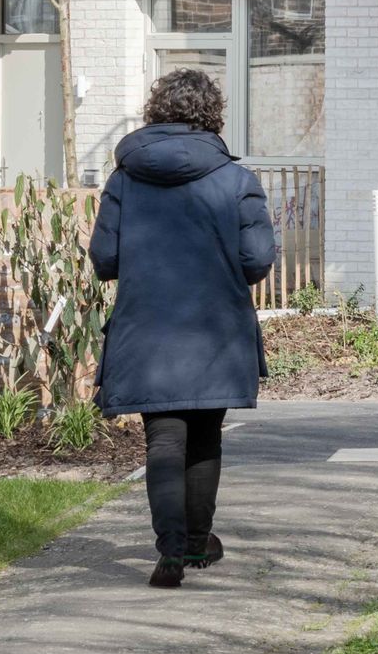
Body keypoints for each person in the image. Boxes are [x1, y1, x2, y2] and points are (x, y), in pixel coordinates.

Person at [89, 67, 275, 587]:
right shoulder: (237, 180)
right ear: (211, 113)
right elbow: (257, 259)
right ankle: (197, 543)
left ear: (156, 111)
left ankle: (170, 551)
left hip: (146, 329)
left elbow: (104, 259)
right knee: (206, 438)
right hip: (215, 327)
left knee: (163, 442)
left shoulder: (125, 178)